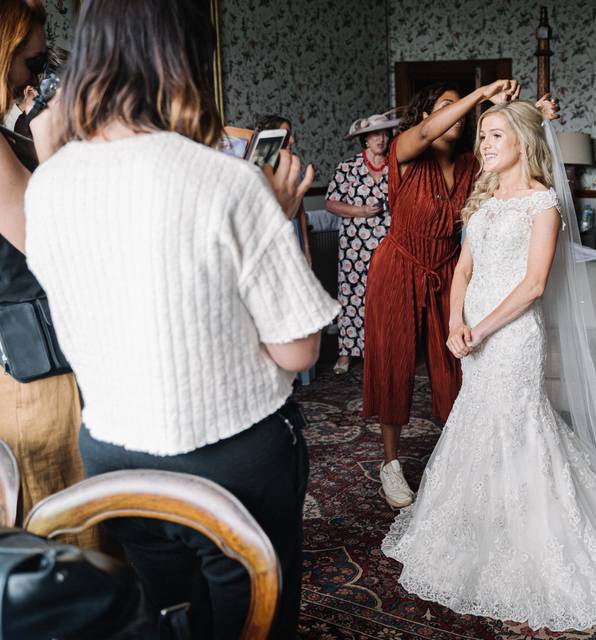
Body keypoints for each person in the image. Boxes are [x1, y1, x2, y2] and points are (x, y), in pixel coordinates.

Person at [23, 1, 339, 638]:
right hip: (230, 456)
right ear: (186, 61)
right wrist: (272, 218)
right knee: (254, 619)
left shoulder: (49, 184)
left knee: (169, 612)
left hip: (114, 454)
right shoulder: (226, 183)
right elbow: (299, 350)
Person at [381, 99, 596, 631]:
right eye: (483, 136)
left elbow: (534, 286)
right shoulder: (485, 200)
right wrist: (453, 324)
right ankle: (477, 522)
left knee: (518, 426)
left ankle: (531, 528)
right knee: (477, 422)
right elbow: (463, 270)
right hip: (471, 335)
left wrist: (482, 329)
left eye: (495, 136)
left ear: (522, 143)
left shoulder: (544, 205)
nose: (484, 145)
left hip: (511, 337)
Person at [362, 79, 521, 508]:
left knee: (454, 362)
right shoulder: (406, 151)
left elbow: (514, 155)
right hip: (397, 266)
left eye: (460, 109)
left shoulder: (472, 164)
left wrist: (527, 113)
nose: (457, 114)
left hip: (447, 269)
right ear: (427, 115)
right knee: (393, 364)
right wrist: (479, 93)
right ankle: (390, 465)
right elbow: (431, 131)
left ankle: (460, 459)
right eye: (445, 106)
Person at [0, 0, 93, 546]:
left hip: (28, 359)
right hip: (32, 370)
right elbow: (53, 248)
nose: (37, 78)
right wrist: (54, 148)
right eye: (33, 63)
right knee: (66, 539)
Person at [324, 110, 399, 375]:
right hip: (355, 246)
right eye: (375, 134)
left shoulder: (396, 167)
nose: (381, 138)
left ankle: (381, 351)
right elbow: (330, 203)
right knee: (353, 296)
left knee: (385, 298)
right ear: (364, 139)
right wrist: (360, 212)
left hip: (388, 244)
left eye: (384, 133)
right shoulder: (348, 167)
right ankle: (345, 353)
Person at [256, 113, 312, 268]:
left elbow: (300, 209)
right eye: (286, 135)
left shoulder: (293, 168)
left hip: (294, 233)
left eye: (291, 134)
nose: (292, 140)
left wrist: (306, 248)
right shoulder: (258, 171)